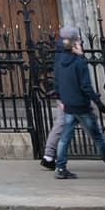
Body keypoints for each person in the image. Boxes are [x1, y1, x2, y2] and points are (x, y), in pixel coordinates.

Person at [53, 30, 105, 179]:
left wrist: (60, 99)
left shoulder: (61, 62)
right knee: (98, 137)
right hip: (82, 106)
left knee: (64, 138)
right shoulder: (79, 62)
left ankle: (60, 168)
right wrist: (99, 103)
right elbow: (86, 86)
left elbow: (57, 82)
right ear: (74, 46)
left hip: (69, 105)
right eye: (79, 42)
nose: (81, 44)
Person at [38, 26, 79, 170]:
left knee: (64, 124)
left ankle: (49, 156)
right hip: (71, 95)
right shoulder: (66, 53)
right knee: (90, 126)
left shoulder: (63, 51)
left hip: (69, 94)